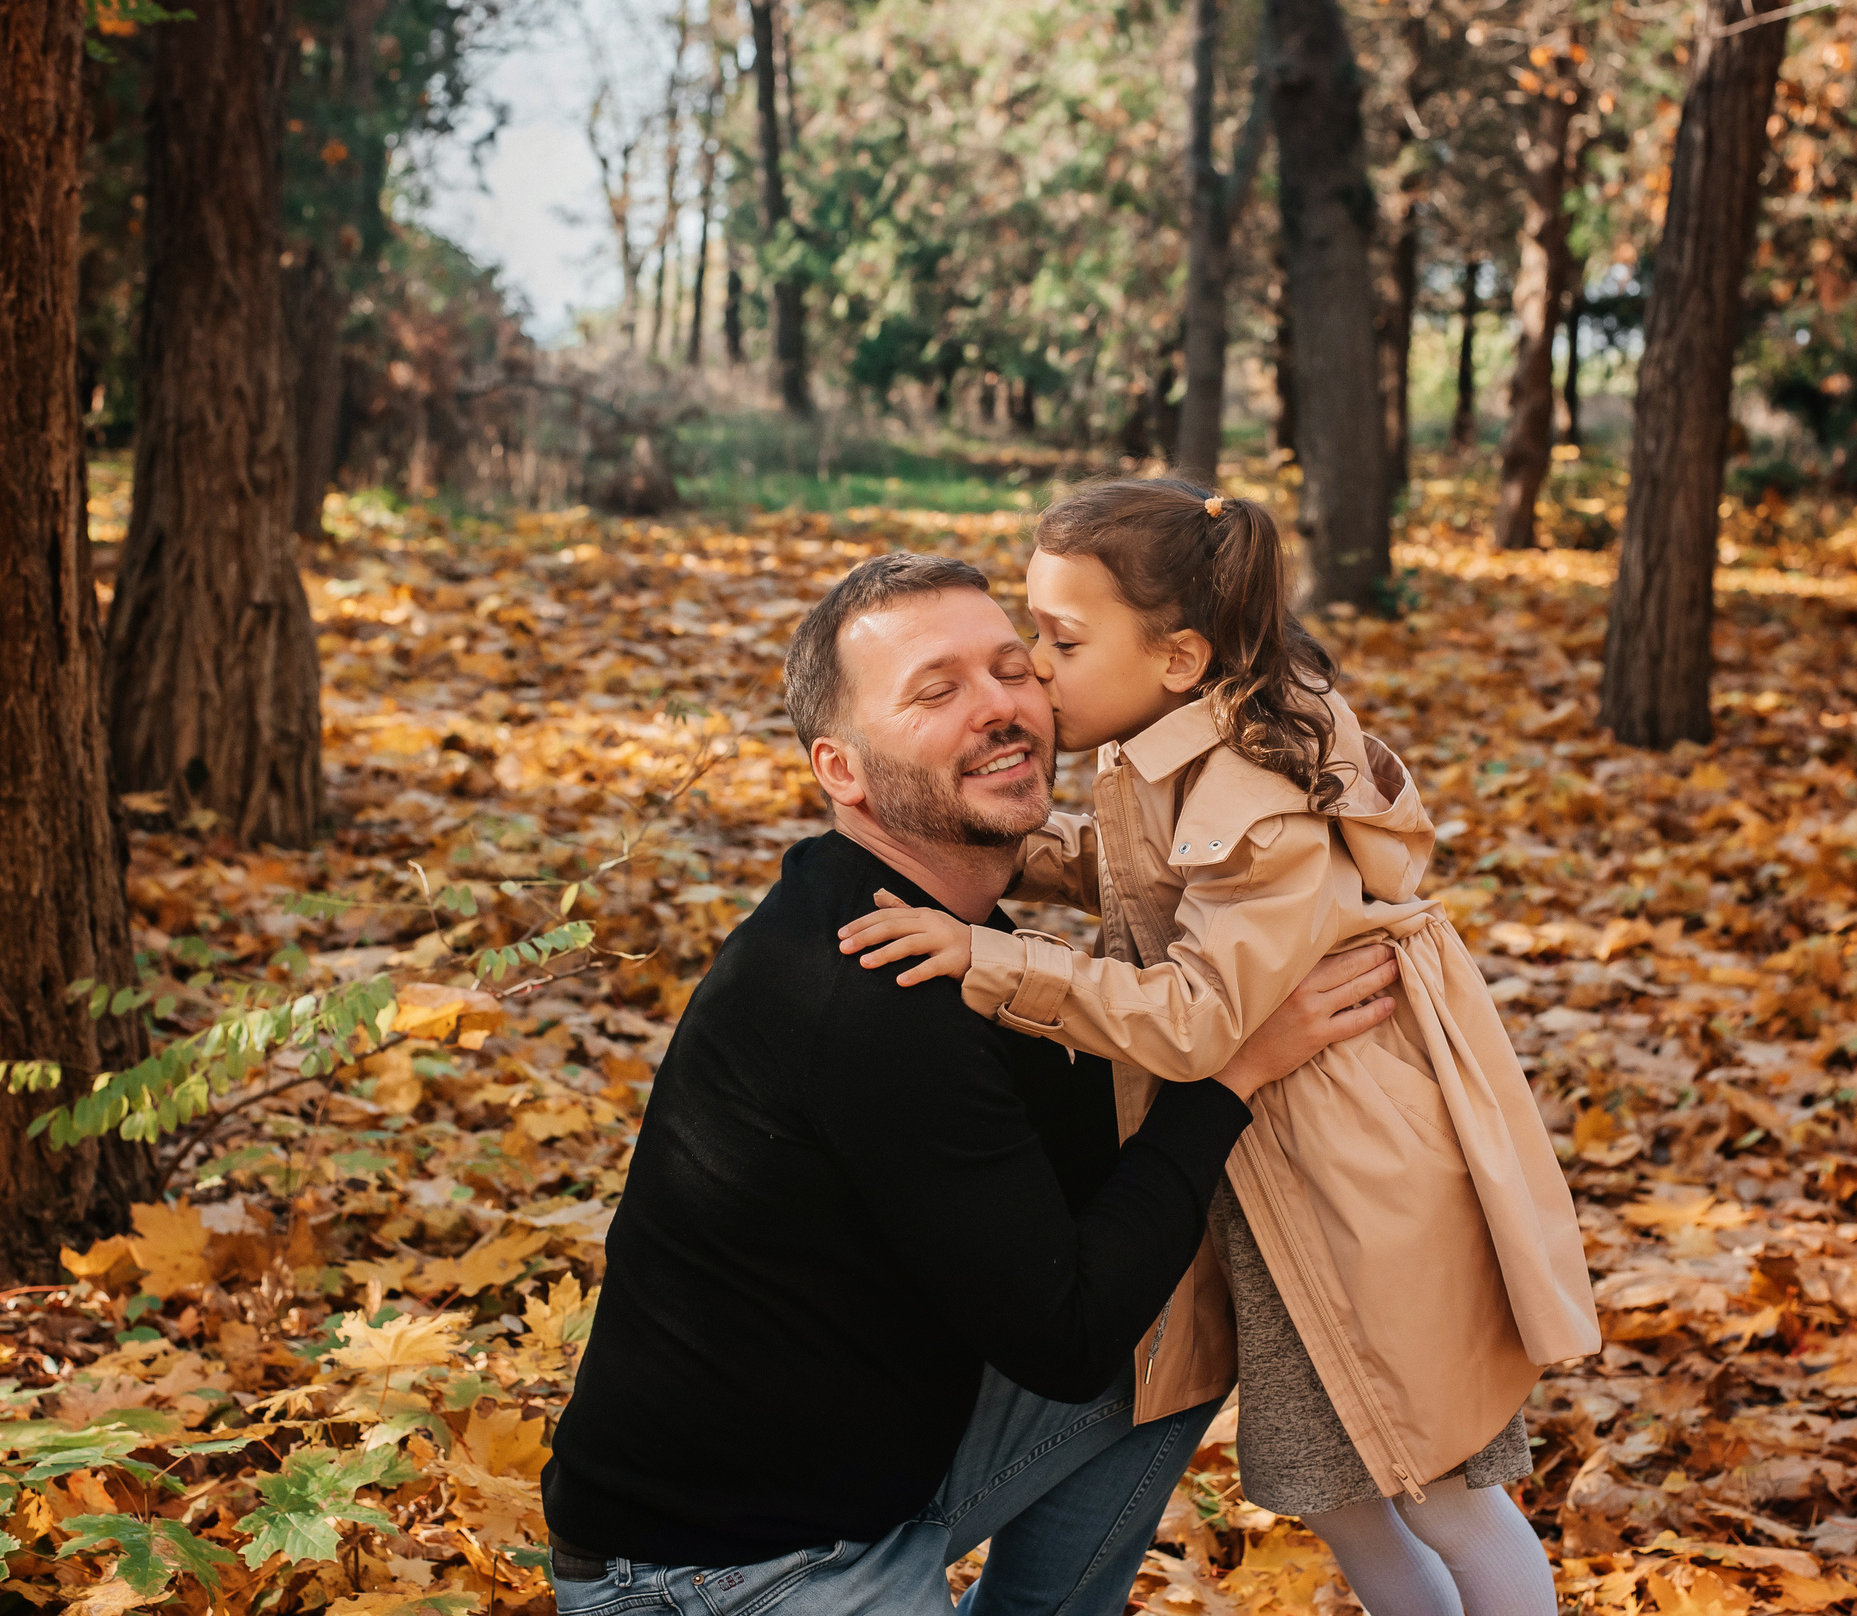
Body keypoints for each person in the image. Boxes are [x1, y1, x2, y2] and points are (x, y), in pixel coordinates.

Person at [541, 550, 1405, 1616]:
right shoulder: (866, 993)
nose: (1001, 707)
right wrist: (1229, 1075)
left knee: (1171, 1307)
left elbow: (1097, 1199)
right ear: (842, 773)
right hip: (721, 1568)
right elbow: (1066, 1330)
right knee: (1130, 1294)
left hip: (872, 1479)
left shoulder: (954, 938)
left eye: (1013, 666)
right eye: (937, 691)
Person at [838, 478, 1601, 1616]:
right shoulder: (1163, 748)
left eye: (1059, 640)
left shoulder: (1254, 796)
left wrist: (984, 956)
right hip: (1275, 1184)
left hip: (1357, 1188)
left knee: (1438, 1482)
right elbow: (1144, 876)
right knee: (1339, 1485)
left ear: (1180, 657)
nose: (1034, 671)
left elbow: (1197, 1011)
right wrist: (980, 838)